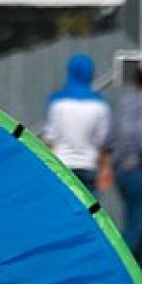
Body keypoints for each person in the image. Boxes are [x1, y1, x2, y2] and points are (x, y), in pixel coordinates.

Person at [41, 53, 111, 195]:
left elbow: (49, 138)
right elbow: (103, 142)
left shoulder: (58, 103)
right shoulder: (99, 105)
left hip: (62, 164)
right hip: (88, 165)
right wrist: (105, 169)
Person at [108, 68, 142, 269]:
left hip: (121, 169)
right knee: (138, 225)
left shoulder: (124, 102)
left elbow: (111, 137)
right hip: (138, 169)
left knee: (138, 222)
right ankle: (117, 267)